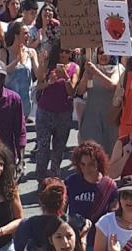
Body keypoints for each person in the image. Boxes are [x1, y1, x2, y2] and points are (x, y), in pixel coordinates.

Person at [35, 44, 79, 179]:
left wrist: (65, 77)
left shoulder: (74, 68)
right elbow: (39, 86)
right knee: (43, 147)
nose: (63, 55)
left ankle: (54, 178)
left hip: (63, 113)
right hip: (45, 111)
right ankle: (41, 178)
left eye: (67, 52)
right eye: (61, 51)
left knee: (58, 149)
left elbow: (72, 91)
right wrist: (50, 81)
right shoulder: (49, 65)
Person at [65, 141, 116, 251]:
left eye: (91, 164)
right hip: (75, 240)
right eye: (82, 164)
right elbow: (61, 212)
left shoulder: (109, 186)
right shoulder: (71, 182)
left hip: (98, 242)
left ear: (99, 163)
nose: (86, 169)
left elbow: (114, 217)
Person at [5, 21, 39, 122]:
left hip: (25, 102)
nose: (28, 36)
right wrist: (17, 61)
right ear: (16, 35)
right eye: (25, 33)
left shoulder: (31, 52)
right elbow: (4, 71)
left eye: (28, 33)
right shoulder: (5, 52)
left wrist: (43, 63)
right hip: (9, 102)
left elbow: (38, 74)